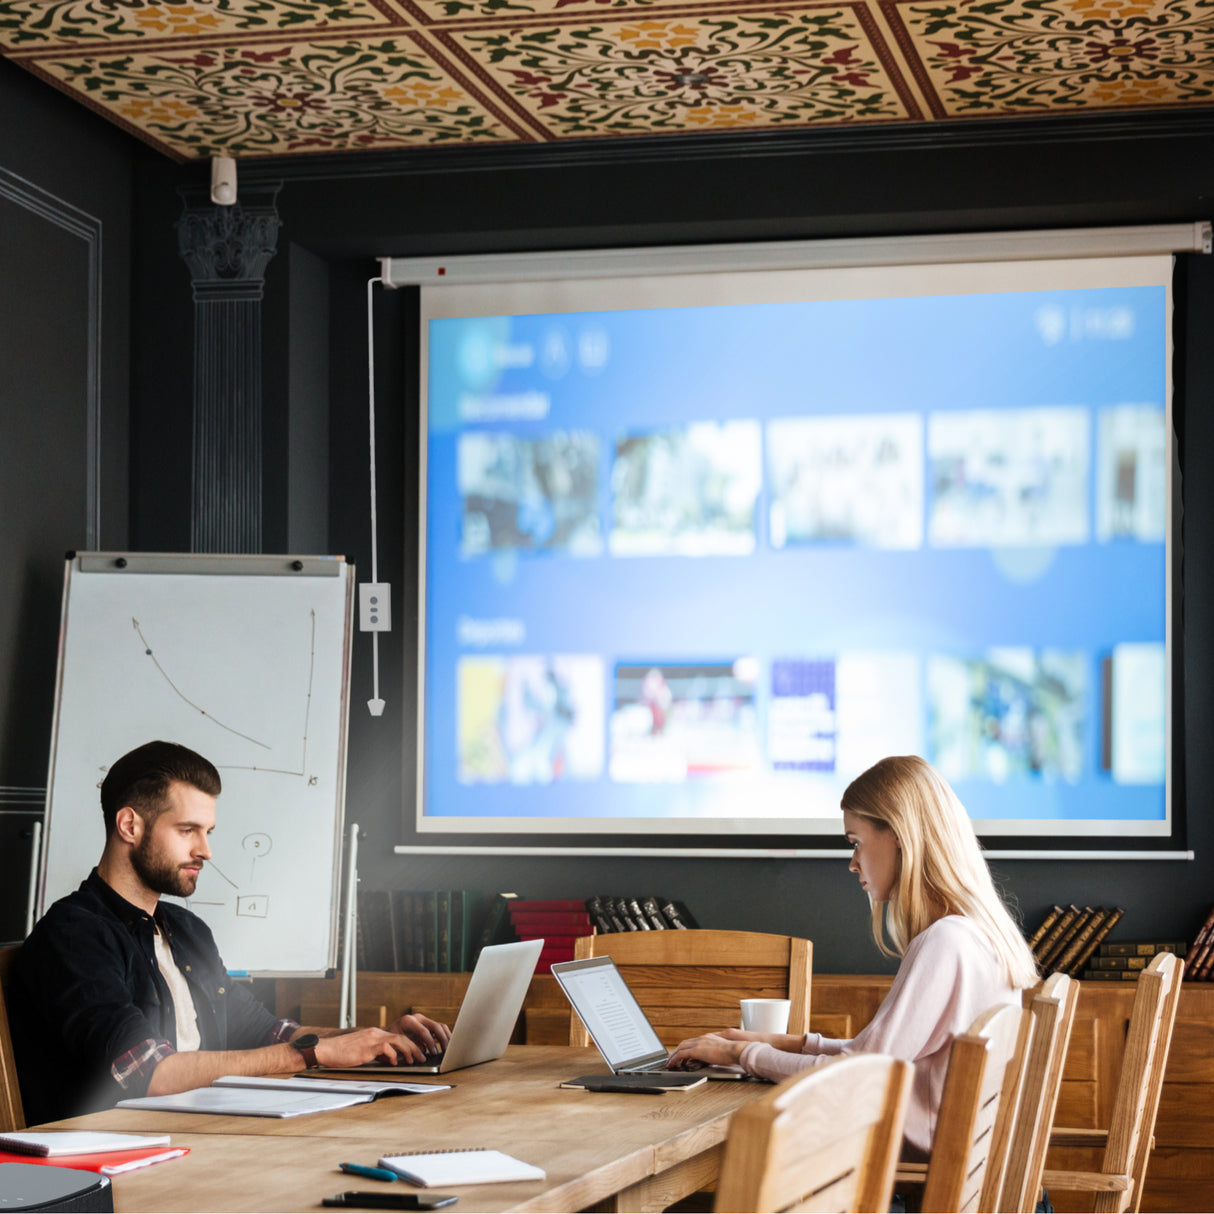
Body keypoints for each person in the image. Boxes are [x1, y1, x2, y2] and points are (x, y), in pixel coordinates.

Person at [10, 740, 451, 1126]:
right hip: (112, 1160)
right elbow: (152, 1076)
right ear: (130, 826)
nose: (205, 850)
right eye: (187, 830)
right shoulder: (74, 936)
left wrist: (372, 1040)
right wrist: (316, 1054)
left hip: (202, 1136)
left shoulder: (187, 930)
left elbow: (266, 1032)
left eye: (208, 831)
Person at [666, 754, 1039, 1159]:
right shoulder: (977, 934)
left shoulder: (944, 943)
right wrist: (780, 1043)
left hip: (911, 1186)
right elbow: (877, 1055)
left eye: (856, 842)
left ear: (899, 833)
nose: (852, 863)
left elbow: (856, 1076)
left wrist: (741, 1055)